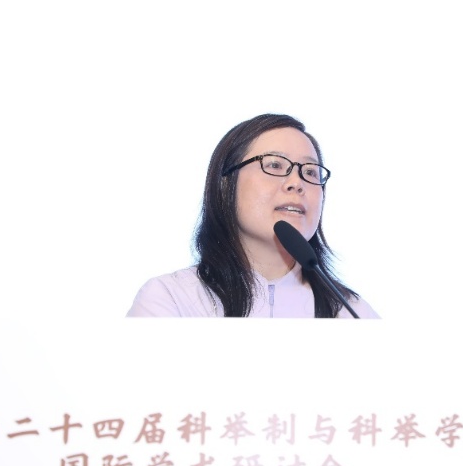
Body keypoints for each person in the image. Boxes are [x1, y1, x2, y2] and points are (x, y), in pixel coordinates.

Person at [127, 113, 379, 318]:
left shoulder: (351, 312)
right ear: (226, 184)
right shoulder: (170, 299)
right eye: (275, 165)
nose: (297, 183)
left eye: (311, 172)